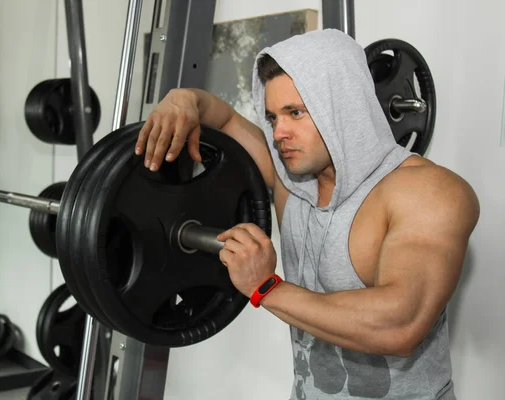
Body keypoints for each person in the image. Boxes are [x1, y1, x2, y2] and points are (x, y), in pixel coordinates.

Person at [135, 29, 479, 399]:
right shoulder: (292, 184)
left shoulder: (429, 193)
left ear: (342, 105)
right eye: (271, 118)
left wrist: (264, 287)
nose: (279, 132)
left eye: (295, 113)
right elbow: (218, 117)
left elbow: (401, 325)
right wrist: (181, 99)